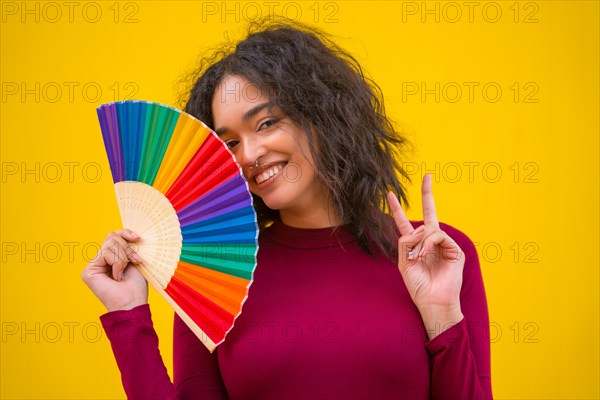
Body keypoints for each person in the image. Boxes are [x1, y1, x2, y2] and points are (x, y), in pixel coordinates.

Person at [81, 17, 492, 400]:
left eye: (265, 123)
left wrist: (442, 316)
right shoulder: (212, 274)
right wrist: (128, 314)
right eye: (230, 143)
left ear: (321, 116)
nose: (250, 155)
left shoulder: (437, 256)